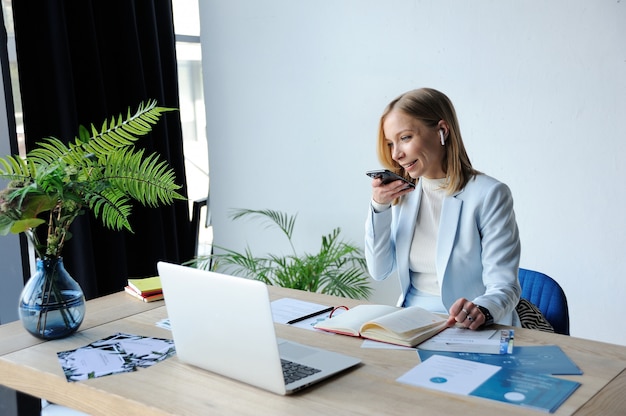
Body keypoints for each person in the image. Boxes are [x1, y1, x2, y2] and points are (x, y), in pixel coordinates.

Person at [364, 87, 521, 330]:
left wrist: (481, 310)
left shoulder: (489, 194)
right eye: (390, 143)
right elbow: (379, 271)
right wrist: (379, 207)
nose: (396, 154)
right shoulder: (404, 194)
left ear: (442, 131)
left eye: (405, 138)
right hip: (410, 323)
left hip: (467, 327)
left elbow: (504, 286)